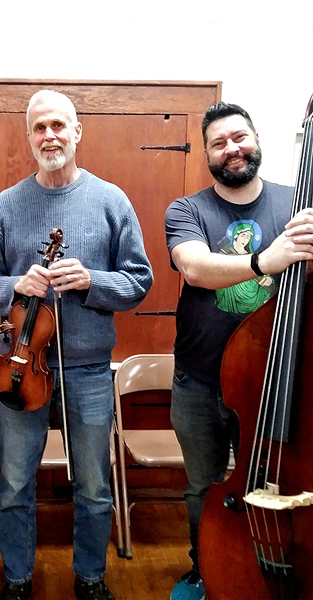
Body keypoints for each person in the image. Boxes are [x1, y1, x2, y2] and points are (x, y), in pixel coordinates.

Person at [0, 90, 153, 600]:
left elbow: (140, 280)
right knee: (12, 485)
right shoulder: (5, 207)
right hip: (19, 368)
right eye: (39, 128)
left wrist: (92, 281)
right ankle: (17, 579)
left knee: (94, 485)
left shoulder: (111, 200)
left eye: (58, 125)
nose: (49, 135)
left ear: (77, 132)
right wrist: (14, 287)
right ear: (28, 137)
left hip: (90, 370)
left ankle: (91, 578)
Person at [165, 101, 313, 600]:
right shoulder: (187, 210)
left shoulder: (297, 204)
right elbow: (196, 268)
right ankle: (208, 567)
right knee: (205, 488)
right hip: (201, 383)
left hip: (280, 385)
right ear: (206, 153)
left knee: (287, 486)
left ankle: (279, 568)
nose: (232, 148)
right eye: (219, 142)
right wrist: (267, 260)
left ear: (256, 139)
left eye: (239, 137)